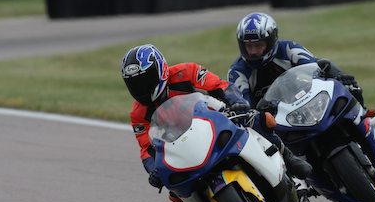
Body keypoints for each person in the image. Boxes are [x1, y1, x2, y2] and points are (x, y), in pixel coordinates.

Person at [121, 43, 312, 193]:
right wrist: (153, 169)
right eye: (134, 84)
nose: (141, 88)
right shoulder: (138, 113)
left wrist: (237, 102)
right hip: (181, 145)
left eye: (145, 80)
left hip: (213, 119)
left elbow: (221, 86)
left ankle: (288, 158)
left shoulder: (186, 71)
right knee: (175, 187)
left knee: (255, 118)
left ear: (161, 70)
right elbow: (146, 149)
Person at [227, 12, 375, 149]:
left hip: (305, 100)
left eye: (258, 45)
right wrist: (243, 107)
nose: (253, 52)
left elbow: (315, 65)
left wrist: (337, 75)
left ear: (271, 41)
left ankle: (370, 128)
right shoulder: (237, 71)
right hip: (275, 120)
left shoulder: (288, 48)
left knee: (348, 86)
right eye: (249, 46)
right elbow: (242, 101)